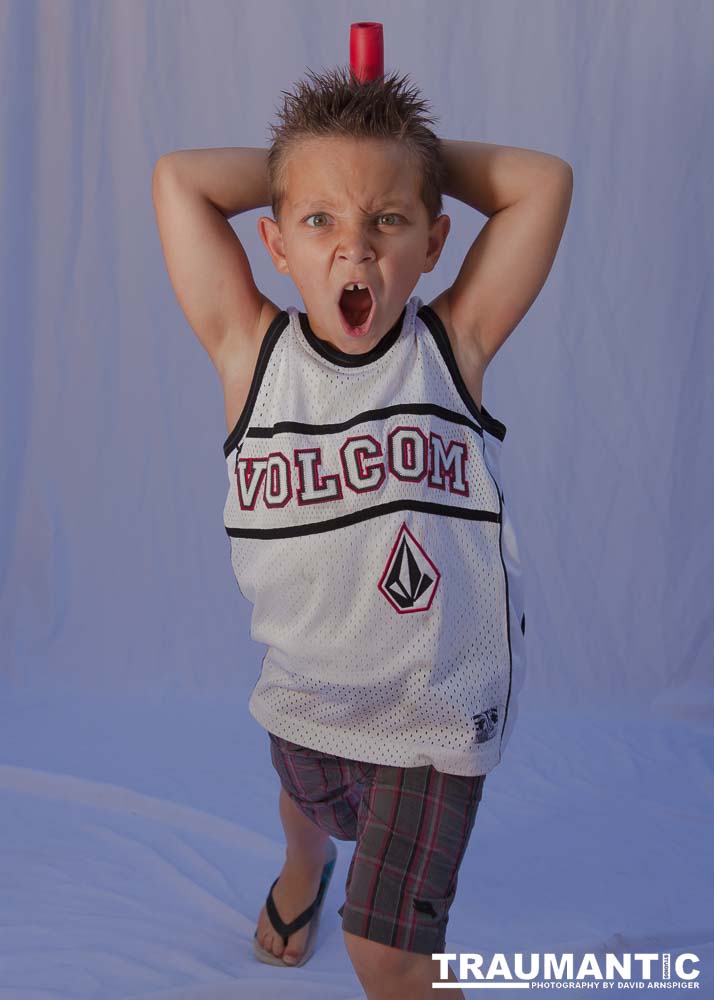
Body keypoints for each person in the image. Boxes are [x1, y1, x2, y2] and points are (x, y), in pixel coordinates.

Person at [152, 65, 572, 999]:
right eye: (319, 223)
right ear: (272, 243)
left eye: (389, 221)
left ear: (433, 243)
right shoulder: (247, 353)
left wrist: (402, 160)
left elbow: (544, 182)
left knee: (386, 954)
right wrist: (326, 166)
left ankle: (352, 905)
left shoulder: (451, 349)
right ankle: (303, 866)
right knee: (305, 805)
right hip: (305, 689)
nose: (357, 251)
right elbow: (178, 178)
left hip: (435, 708)